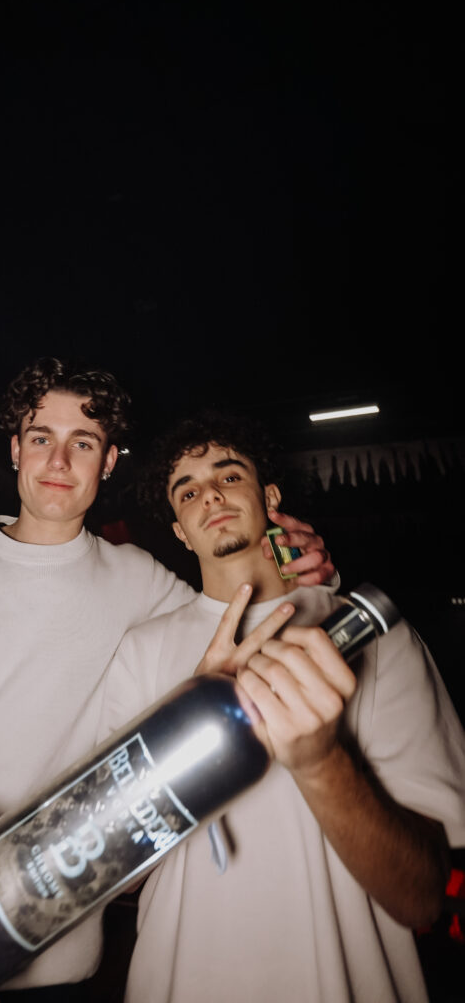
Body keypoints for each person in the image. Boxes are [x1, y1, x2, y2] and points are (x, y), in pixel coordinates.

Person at [0, 359, 335, 1003]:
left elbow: (241, 615)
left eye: (83, 443)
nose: (58, 460)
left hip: (47, 962)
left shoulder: (141, 582)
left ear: (109, 462)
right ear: (15, 449)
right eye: (41, 438)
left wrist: (306, 567)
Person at [99, 409, 465, 1003]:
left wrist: (321, 759)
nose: (209, 494)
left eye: (228, 476)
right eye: (187, 491)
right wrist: (189, 731)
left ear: (270, 497)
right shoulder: (141, 649)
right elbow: (113, 876)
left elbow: (422, 896)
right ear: (180, 532)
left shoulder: (373, 635)